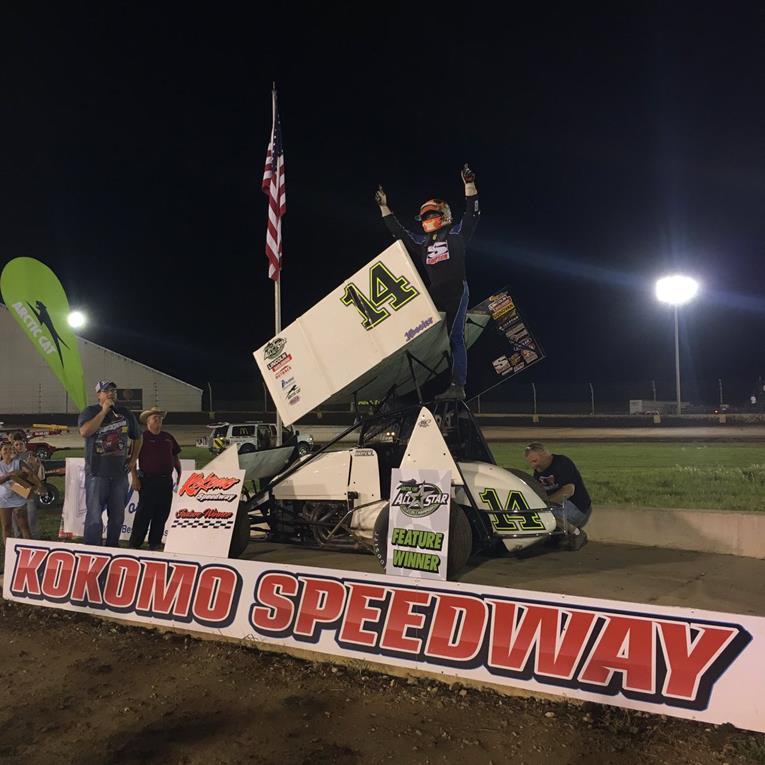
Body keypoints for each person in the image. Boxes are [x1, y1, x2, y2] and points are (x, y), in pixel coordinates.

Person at [376, 164, 480, 400]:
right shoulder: (421, 242)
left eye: (432, 215)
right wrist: (384, 207)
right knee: (412, 333)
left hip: (456, 292)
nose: (428, 219)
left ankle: (458, 386)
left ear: (444, 215)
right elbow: (400, 233)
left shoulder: (457, 234)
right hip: (434, 294)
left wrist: (469, 185)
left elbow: (472, 213)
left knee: (456, 338)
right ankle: (400, 388)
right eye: (425, 217)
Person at [78, 380, 142, 546]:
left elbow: (138, 437)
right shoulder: (90, 411)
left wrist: (133, 459)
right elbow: (85, 432)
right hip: (97, 473)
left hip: (119, 474)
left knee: (117, 516)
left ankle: (112, 547)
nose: (111, 393)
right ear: (98, 394)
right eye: (106, 391)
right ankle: (93, 548)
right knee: (94, 515)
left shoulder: (125, 413)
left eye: (113, 390)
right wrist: (104, 411)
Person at [129, 406, 182, 551]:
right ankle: (135, 543)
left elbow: (175, 457)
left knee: (162, 512)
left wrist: (180, 474)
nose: (158, 420)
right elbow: (132, 459)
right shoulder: (141, 438)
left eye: (160, 418)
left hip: (166, 481)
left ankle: (155, 542)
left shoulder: (168, 437)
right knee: (144, 513)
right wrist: (134, 478)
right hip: (147, 481)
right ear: (148, 421)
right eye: (155, 418)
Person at [524, 442, 591, 551]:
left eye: (535, 461)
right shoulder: (539, 470)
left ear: (544, 455)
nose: (533, 466)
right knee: (537, 511)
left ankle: (577, 533)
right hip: (560, 505)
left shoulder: (561, 463)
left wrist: (545, 503)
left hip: (577, 506)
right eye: (530, 462)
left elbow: (569, 490)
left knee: (544, 512)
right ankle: (557, 536)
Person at [0, 442, 37, 544]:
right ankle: (8, 549)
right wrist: (10, 475)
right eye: (5, 449)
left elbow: (30, 474)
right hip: (3, 500)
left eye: (10, 449)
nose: (8, 451)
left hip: (19, 497)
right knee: (6, 526)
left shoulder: (19, 462)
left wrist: (27, 471)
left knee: (24, 525)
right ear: (0, 452)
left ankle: (28, 547)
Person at [11, 432, 42, 538]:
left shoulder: (30, 455)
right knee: (16, 516)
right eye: (16, 445)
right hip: (16, 489)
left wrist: (35, 466)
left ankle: (34, 537)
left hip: (29, 489)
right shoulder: (12, 457)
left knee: (31, 514)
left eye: (21, 444)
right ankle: (18, 537)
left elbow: (36, 474)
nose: (19, 446)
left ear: (25, 444)